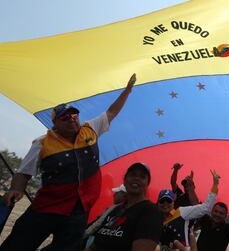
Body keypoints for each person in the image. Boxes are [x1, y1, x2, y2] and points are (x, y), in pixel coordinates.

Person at [0, 74, 136, 251]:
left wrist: (127, 91)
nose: (72, 118)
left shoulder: (90, 129)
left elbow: (111, 113)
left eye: (74, 114)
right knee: (18, 245)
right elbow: (24, 173)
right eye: (65, 117)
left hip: (78, 213)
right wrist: (16, 189)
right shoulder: (42, 143)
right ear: (55, 123)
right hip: (46, 208)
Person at [88, 162, 163, 251]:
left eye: (142, 176)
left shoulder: (151, 212)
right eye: (132, 174)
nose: (136, 178)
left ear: (147, 184)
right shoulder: (115, 210)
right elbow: (95, 245)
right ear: (124, 181)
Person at [158, 170, 220, 250]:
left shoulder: (181, 212)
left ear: (173, 203)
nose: (165, 204)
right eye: (162, 201)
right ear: (158, 203)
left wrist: (215, 184)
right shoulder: (155, 220)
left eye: (169, 201)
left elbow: (206, 207)